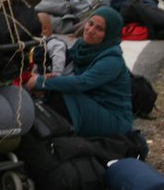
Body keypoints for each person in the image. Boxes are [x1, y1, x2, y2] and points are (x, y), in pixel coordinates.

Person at [26, 7, 133, 137]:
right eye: (90, 23)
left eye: (99, 29)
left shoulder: (112, 60)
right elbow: (65, 70)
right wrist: (46, 77)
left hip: (113, 118)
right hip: (90, 104)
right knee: (54, 88)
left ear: (109, 34)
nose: (91, 30)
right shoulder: (82, 47)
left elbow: (81, 82)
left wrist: (40, 81)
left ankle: (59, 134)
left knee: (63, 93)